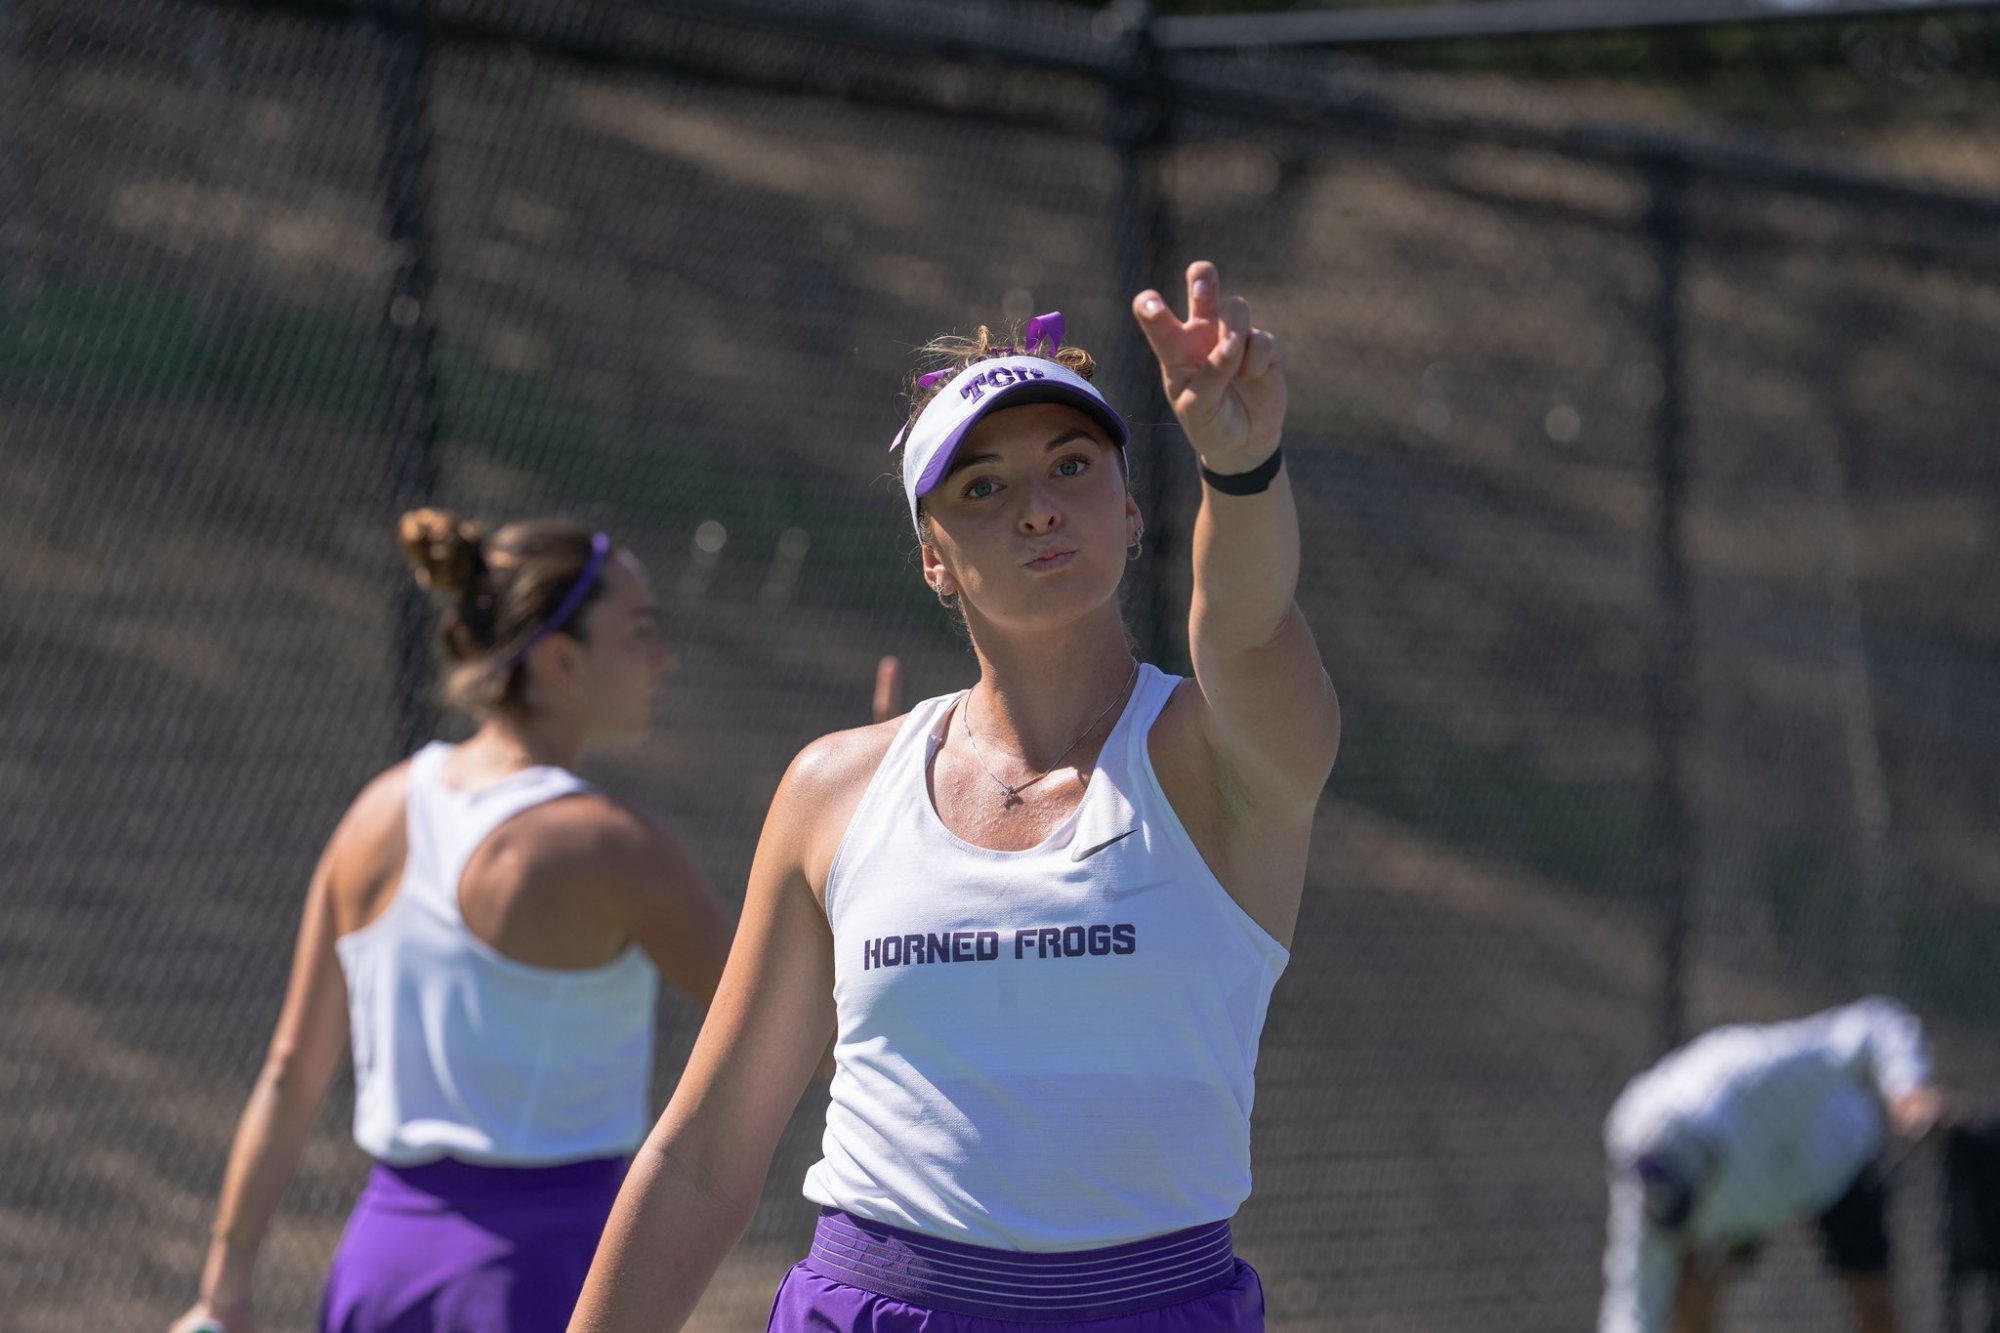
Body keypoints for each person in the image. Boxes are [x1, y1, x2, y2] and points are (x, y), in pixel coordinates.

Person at [568, 259, 1341, 1333]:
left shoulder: (1223, 758)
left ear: (1128, 512)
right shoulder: (832, 789)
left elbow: (1247, 623)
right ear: (932, 558)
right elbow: (703, 1156)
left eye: (1071, 466)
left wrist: (1242, 465)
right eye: (982, 487)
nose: (1035, 509)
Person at [170, 510, 737, 1333]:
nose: (663, 656)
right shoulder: (614, 844)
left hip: (379, 1268)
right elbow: (801, 1024)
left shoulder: (375, 811)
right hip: (552, 1273)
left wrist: (225, 1285)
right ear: (559, 659)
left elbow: (291, 1069)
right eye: (640, 630)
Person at [1599, 996, 1946, 1333]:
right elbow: (1633, 1304)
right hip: (1744, 1209)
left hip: (1833, 1164)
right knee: (1687, 1302)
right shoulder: (1637, 1164)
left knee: (1875, 1311)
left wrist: (1908, 1091)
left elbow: (1875, 1023)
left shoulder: (1751, 1073)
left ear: (1712, 1164)